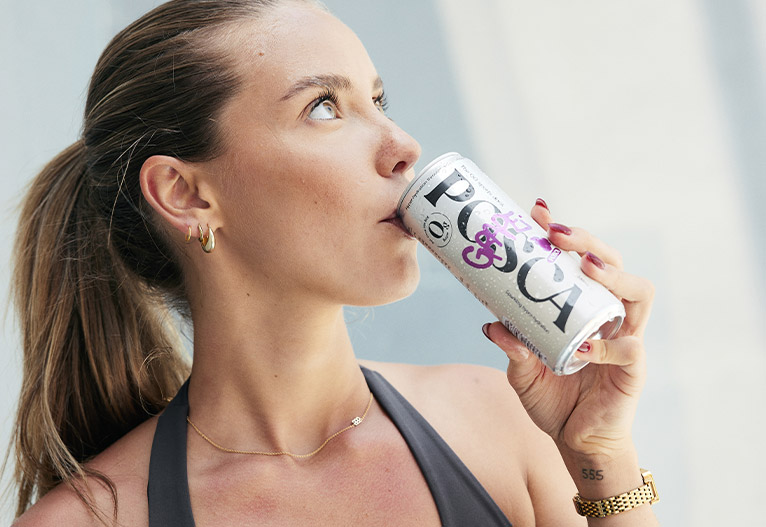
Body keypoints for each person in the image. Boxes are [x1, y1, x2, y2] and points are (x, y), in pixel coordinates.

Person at [9, 0, 658, 525]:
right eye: (324, 106)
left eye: (379, 100)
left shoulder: (497, 421)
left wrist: (600, 455)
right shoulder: (93, 519)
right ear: (187, 194)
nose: (404, 145)